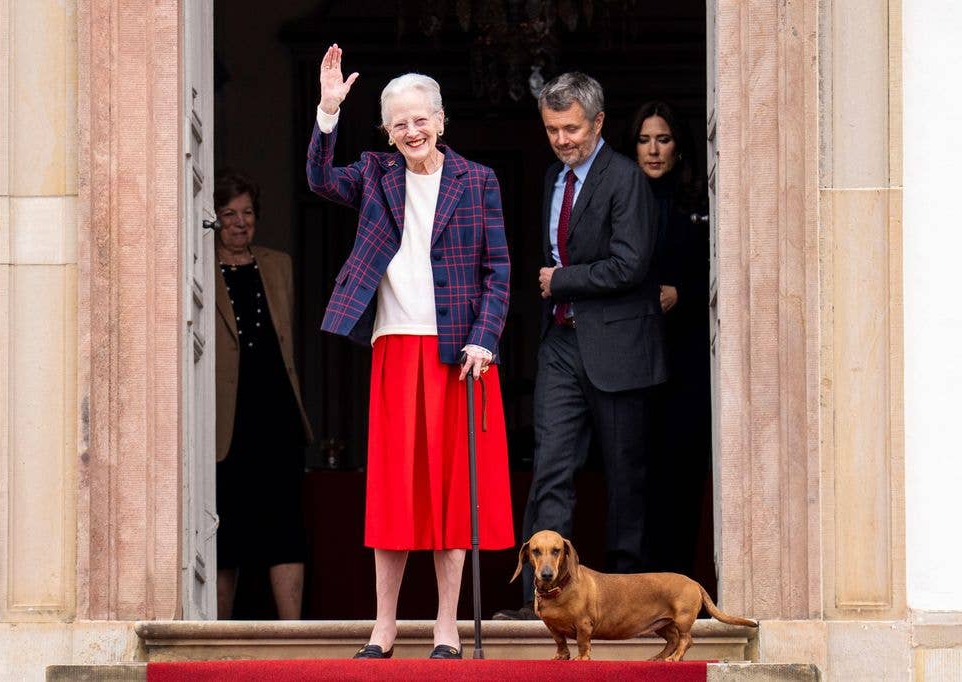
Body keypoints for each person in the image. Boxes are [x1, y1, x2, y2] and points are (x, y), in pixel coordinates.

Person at [306, 44, 514, 659]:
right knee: (394, 491)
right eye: (398, 122)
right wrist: (326, 111)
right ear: (387, 133)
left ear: (441, 120)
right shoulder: (375, 173)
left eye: (420, 118)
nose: (411, 130)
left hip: (460, 356)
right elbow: (319, 178)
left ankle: (446, 626)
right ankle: (385, 625)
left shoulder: (479, 181)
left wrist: (485, 335)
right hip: (396, 350)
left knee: (453, 494)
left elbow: (499, 271)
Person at [496, 72, 666, 620]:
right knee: (550, 469)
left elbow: (630, 264)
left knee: (625, 481)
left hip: (619, 349)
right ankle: (541, 605)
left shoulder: (626, 179)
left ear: (597, 122)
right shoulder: (553, 177)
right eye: (552, 130)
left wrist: (561, 280)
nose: (562, 140)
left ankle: (624, 609)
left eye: (571, 128)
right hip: (562, 345)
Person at [213, 170, 314, 620]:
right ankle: (214, 632)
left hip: (276, 413)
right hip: (224, 421)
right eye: (229, 213)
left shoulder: (278, 264)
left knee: (285, 526)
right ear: (212, 219)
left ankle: (292, 633)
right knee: (224, 534)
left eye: (247, 212)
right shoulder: (195, 268)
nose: (239, 222)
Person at [626, 100, 711, 578]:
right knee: (636, 473)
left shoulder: (699, 205)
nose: (653, 150)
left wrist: (685, 292)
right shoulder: (620, 197)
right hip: (632, 355)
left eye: (663, 139)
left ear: (679, 147)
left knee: (680, 470)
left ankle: (679, 585)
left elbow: (729, 274)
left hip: (686, 354)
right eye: (643, 139)